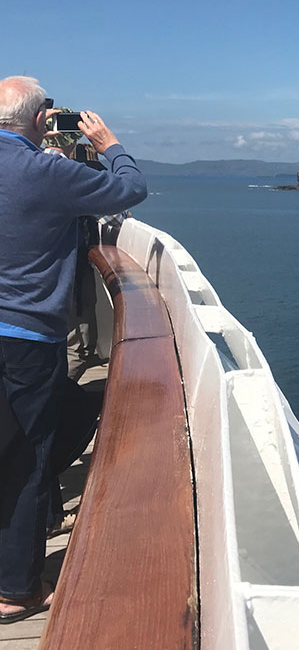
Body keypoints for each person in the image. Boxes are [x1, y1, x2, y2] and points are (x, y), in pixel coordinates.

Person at [0, 76, 147, 623]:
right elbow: (130, 189)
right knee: (26, 460)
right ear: (41, 120)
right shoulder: (47, 170)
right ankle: (17, 590)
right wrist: (110, 146)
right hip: (28, 340)